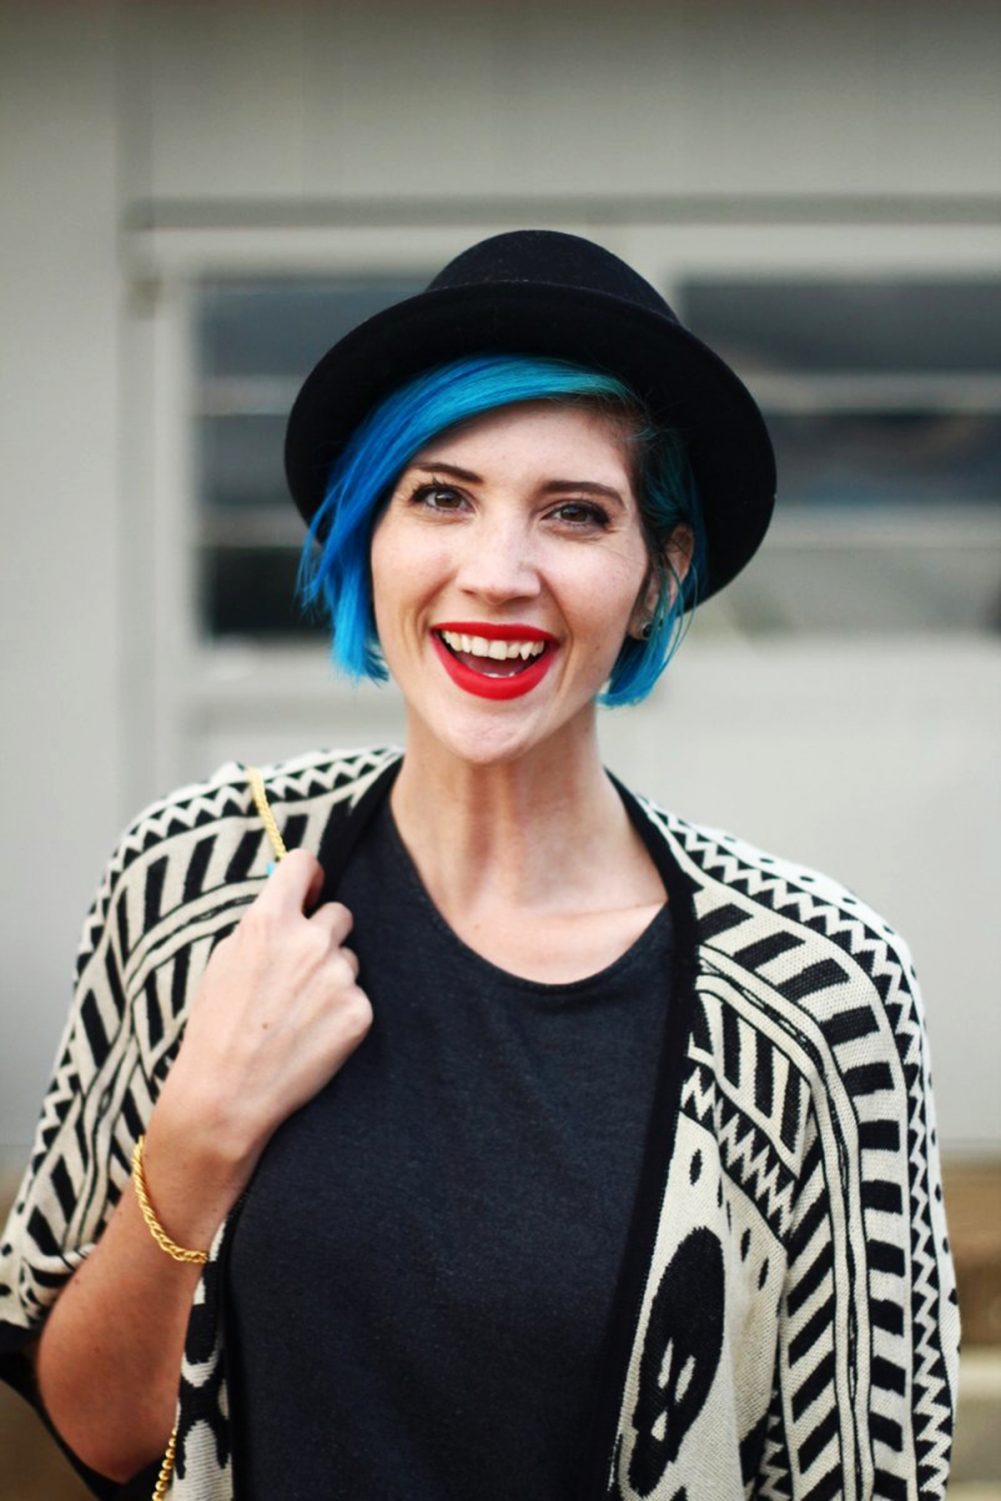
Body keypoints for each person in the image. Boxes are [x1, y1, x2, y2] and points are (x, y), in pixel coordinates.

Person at [0, 231, 959, 1500]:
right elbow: (95, 1430)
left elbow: (870, 1477)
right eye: (439, 495)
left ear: (656, 576)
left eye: (574, 513)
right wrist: (199, 1128)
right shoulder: (197, 884)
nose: (496, 574)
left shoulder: (815, 988)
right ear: (369, 532)